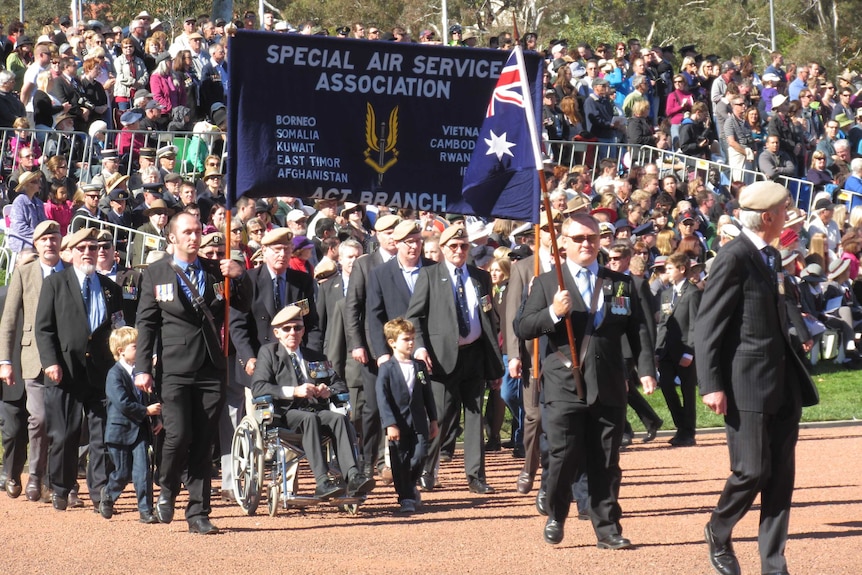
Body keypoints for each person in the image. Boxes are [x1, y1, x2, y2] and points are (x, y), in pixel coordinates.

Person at [696, 181, 819, 575]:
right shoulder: (734, 257)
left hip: (784, 383)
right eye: (784, 209)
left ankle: (773, 565)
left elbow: (779, 304)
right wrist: (710, 383)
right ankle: (718, 528)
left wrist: (797, 334)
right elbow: (708, 326)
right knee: (752, 470)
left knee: (781, 478)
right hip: (746, 383)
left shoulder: (771, 256)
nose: (788, 215)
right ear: (767, 217)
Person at [516, 213, 657, 548]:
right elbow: (523, 327)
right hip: (564, 384)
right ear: (563, 243)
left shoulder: (619, 283)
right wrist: (552, 313)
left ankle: (608, 529)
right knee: (563, 457)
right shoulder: (549, 282)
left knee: (606, 460)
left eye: (592, 238)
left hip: (608, 383)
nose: (586, 244)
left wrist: (646, 368)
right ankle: (557, 512)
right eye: (578, 238)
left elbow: (638, 330)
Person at [134, 212, 249, 534]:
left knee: (203, 442)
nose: (194, 237)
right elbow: (146, 324)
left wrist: (239, 276)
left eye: (198, 231)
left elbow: (244, 304)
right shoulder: (156, 273)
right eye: (187, 232)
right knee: (178, 434)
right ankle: (168, 487)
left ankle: (199, 512)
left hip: (212, 366)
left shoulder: (217, 270)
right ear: (172, 237)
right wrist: (142, 367)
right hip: (174, 368)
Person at [405, 223, 503, 494]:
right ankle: (426, 469)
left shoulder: (479, 277)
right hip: (441, 358)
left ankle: (476, 476)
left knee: (474, 418)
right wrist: (420, 348)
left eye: (464, 246)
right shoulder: (429, 275)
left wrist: (494, 364)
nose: (459, 250)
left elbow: (487, 319)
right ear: (444, 249)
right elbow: (414, 316)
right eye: (453, 246)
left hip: (474, 355)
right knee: (441, 418)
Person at [35, 227, 125, 512]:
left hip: (101, 373)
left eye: (93, 247)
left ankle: (100, 492)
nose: (88, 252)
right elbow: (44, 328)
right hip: (65, 371)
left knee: (102, 434)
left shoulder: (111, 289)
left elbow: (119, 329)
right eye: (82, 248)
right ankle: (61, 487)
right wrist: (50, 362)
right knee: (64, 433)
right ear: (70, 252)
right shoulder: (55, 284)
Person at [250, 305, 375, 500]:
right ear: (277, 333)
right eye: (287, 328)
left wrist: (327, 391)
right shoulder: (269, 353)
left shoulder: (315, 356)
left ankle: (352, 475)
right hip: (285, 414)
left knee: (338, 419)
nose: (293, 332)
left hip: (316, 410)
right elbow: (258, 387)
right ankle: (322, 481)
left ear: (303, 330)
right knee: (310, 419)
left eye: (298, 328)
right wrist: (294, 391)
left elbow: (339, 384)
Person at [0, 220, 63, 502]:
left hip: (65, 360)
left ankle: (55, 480)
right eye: (44, 239)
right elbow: (10, 319)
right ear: (35, 244)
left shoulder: (70, 272)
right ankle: (35, 477)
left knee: (62, 423)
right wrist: (5, 360)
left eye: (55, 237)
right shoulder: (25, 273)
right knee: (38, 418)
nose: (50, 242)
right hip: (32, 358)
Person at [376, 318, 438, 515]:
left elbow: (428, 395)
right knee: (399, 459)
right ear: (392, 342)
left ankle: (409, 484)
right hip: (398, 423)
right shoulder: (387, 368)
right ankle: (406, 497)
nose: (411, 343)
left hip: (419, 422)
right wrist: (390, 423)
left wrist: (434, 419)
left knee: (420, 454)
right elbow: (382, 397)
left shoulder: (419, 367)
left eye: (412, 339)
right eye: (406, 339)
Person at [99, 326, 162, 523]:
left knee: (143, 471)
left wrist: (156, 418)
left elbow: (151, 396)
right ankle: (108, 495)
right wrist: (146, 411)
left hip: (140, 430)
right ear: (121, 351)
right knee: (122, 472)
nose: (139, 349)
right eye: (135, 346)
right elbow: (122, 403)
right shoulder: (114, 374)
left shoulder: (142, 373)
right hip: (119, 431)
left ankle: (145, 510)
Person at [655, 253, 702, 446]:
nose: (667, 273)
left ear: (682, 269)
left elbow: (695, 324)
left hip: (684, 350)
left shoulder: (692, 293)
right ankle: (680, 425)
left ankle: (688, 431)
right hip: (667, 350)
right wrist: (657, 350)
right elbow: (663, 323)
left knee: (687, 390)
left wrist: (689, 351)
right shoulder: (667, 293)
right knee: (666, 386)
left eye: (670, 268)